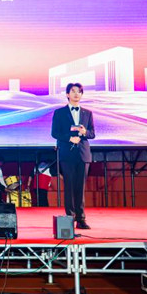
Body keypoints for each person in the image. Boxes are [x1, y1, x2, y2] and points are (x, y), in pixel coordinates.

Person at [51, 82, 96, 229]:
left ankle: (81, 219)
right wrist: (69, 138)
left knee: (80, 187)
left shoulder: (87, 113)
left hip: (83, 153)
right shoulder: (59, 113)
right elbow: (55, 133)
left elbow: (92, 134)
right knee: (69, 186)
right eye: (73, 91)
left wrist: (84, 132)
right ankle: (70, 218)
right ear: (67, 94)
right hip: (67, 153)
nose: (76, 94)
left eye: (79, 91)